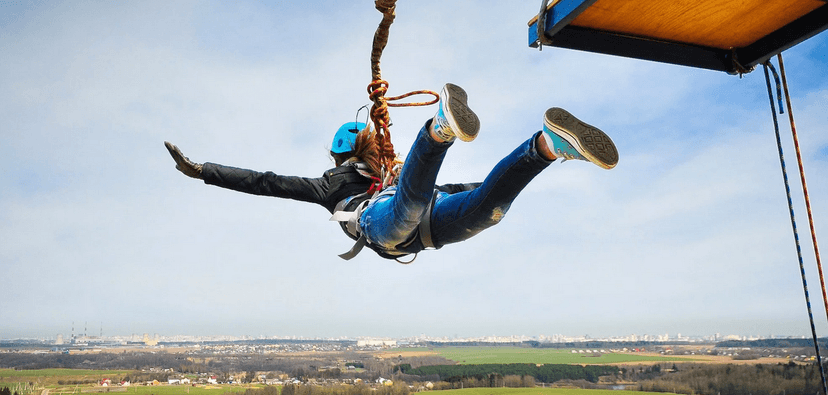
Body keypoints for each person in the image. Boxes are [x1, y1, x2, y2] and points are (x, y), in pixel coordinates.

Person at [165, 83, 618, 261]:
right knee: (422, 200)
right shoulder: (334, 186)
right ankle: (450, 132)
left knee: (488, 211)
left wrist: (488, 188)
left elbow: (265, 181)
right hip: (398, 224)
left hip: (404, 220)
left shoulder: (389, 175)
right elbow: (263, 182)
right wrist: (203, 170)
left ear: (341, 152)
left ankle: (545, 145)